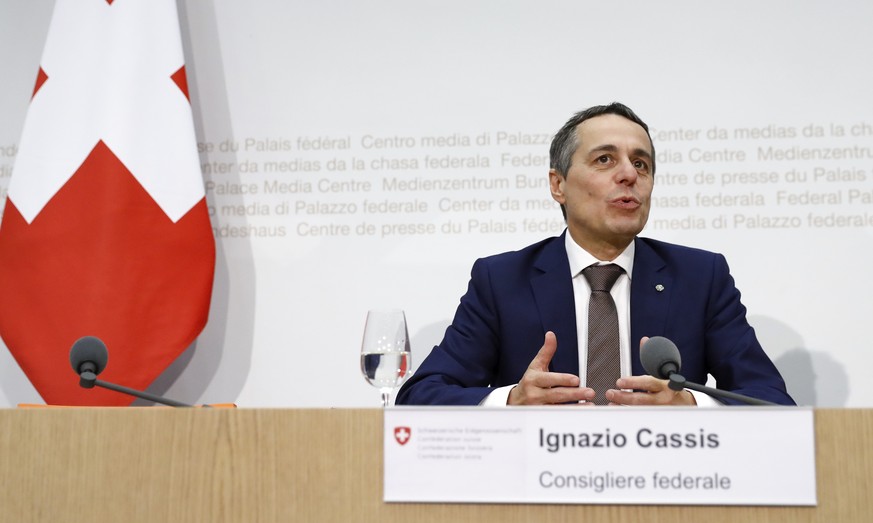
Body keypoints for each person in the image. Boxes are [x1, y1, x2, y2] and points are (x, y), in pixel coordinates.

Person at [396, 102, 794, 407]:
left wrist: (690, 404)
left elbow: (772, 401)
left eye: (642, 163)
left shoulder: (700, 276)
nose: (629, 175)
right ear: (558, 185)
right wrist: (511, 400)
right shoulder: (502, 281)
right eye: (605, 159)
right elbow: (420, 397)